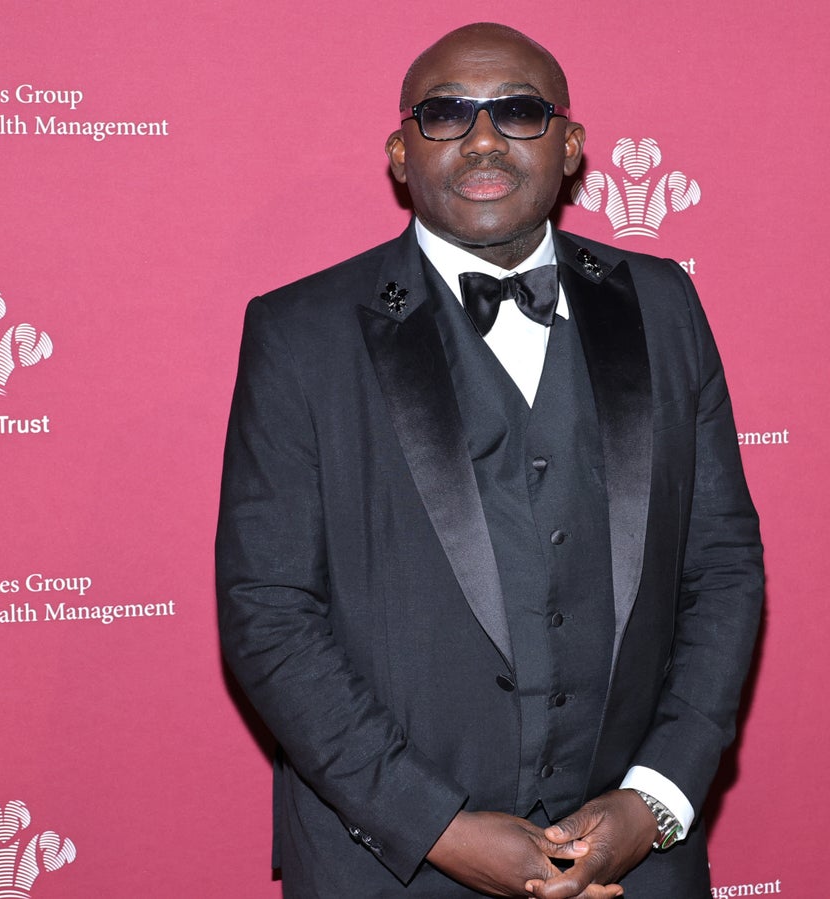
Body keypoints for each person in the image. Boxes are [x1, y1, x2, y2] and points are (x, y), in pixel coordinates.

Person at [216, 22, 763, 899]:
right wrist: (435, 826)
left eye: (517, 111)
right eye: (444, 115)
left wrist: (655, 797)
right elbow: (268, 609)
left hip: (635, 860)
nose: (480, 139)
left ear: (572, 145)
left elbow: (723, 566)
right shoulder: (299, 334)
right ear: (400, 152)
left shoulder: (665, 305)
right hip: (388, 864)